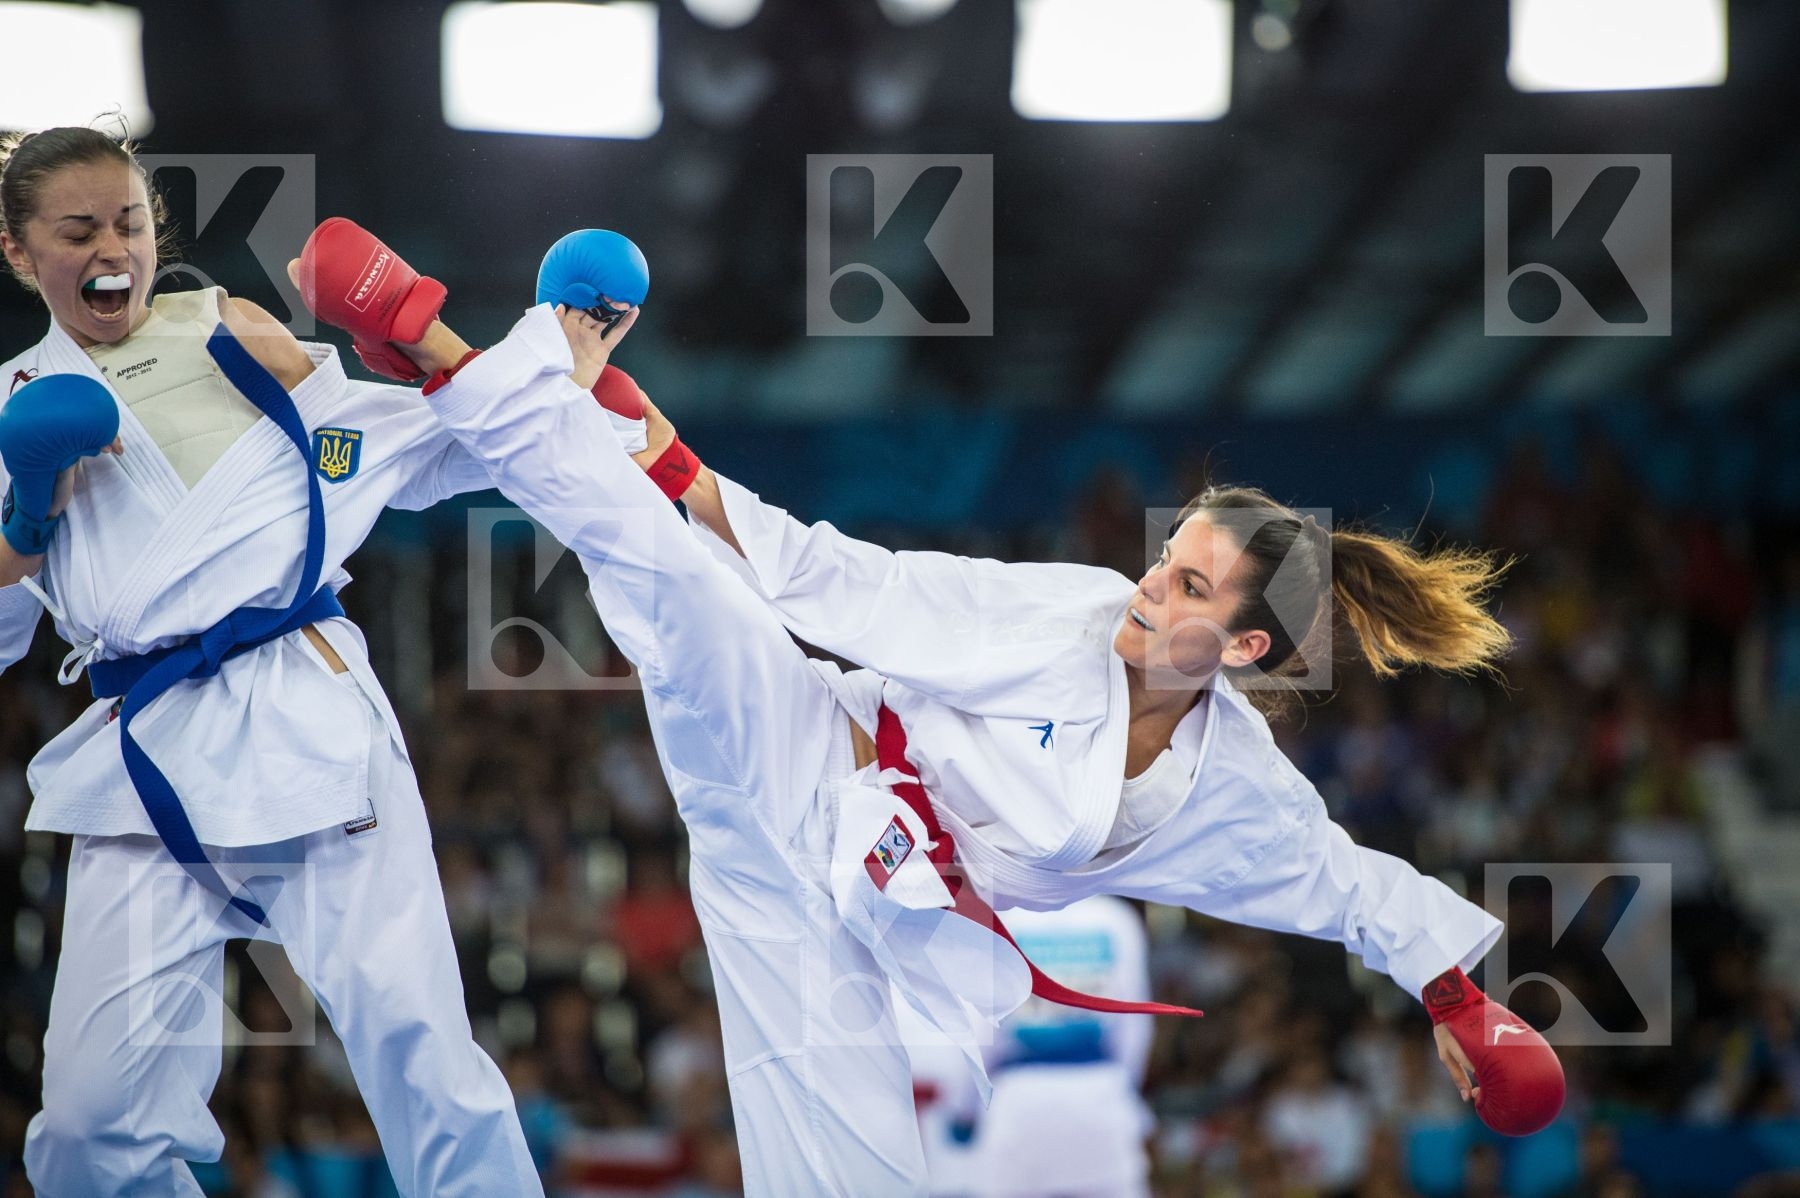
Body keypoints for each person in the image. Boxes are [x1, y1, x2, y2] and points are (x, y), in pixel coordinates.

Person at [299, 225, 1563, 1195]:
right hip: (801, 750)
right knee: (679, 586)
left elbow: (1347, 885)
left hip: (847, 922)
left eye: (1183, 581)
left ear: (1237, 644)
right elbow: (864, 584)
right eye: (1163, 550)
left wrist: (1464, 1009)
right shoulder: (1067, 612)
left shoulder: (1230, 789)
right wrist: (677, 465)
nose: (1144, 579)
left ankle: (542, 386)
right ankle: (455, 351)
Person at [0, 128, 564, 1195]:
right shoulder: (10, 400)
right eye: (78, 231)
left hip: (296, 705)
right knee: (82, 1127)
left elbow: (390, 453)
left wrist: (436, 347)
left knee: (417, 1053)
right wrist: (29, 507)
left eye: (128, 222)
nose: (112, 247)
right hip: (140, 762)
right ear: (21, 254)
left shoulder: (228, 328)